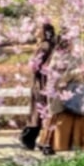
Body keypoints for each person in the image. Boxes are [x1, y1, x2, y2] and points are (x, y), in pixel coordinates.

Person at [22, 21, 57, 150]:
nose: (36, 31)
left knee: (38, 110)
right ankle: (38, 138)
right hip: (49, 83)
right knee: (44, 111)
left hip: (41, 83)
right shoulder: (53, 45)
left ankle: (29, 138)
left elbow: (34, 67)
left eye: (38, 29)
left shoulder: (43, 46)